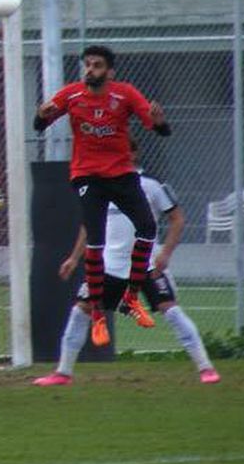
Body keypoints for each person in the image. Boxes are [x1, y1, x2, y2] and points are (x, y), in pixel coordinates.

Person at [35, 140, 218, 386]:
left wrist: (165, 253)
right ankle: (63, 373)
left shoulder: (150, 186)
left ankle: (205, 368)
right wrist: (74, 258)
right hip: (108, 267)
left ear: (132, 154)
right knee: (80, 311)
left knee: (171, 310)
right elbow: (90, 226)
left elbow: (177, 218)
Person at [34, 44, 172, 347]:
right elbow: (41, 123)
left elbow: (159, 129)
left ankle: (132, 298)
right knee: (95, 240)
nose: (90, 70)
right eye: (87, 64)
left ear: (109, 71)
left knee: (147, 228)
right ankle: (98, 314)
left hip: (121, 174)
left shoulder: (125, 94)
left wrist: (159, 121)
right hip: (87, 175)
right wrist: (41, 115)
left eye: (97, 65)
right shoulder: (71, 94)